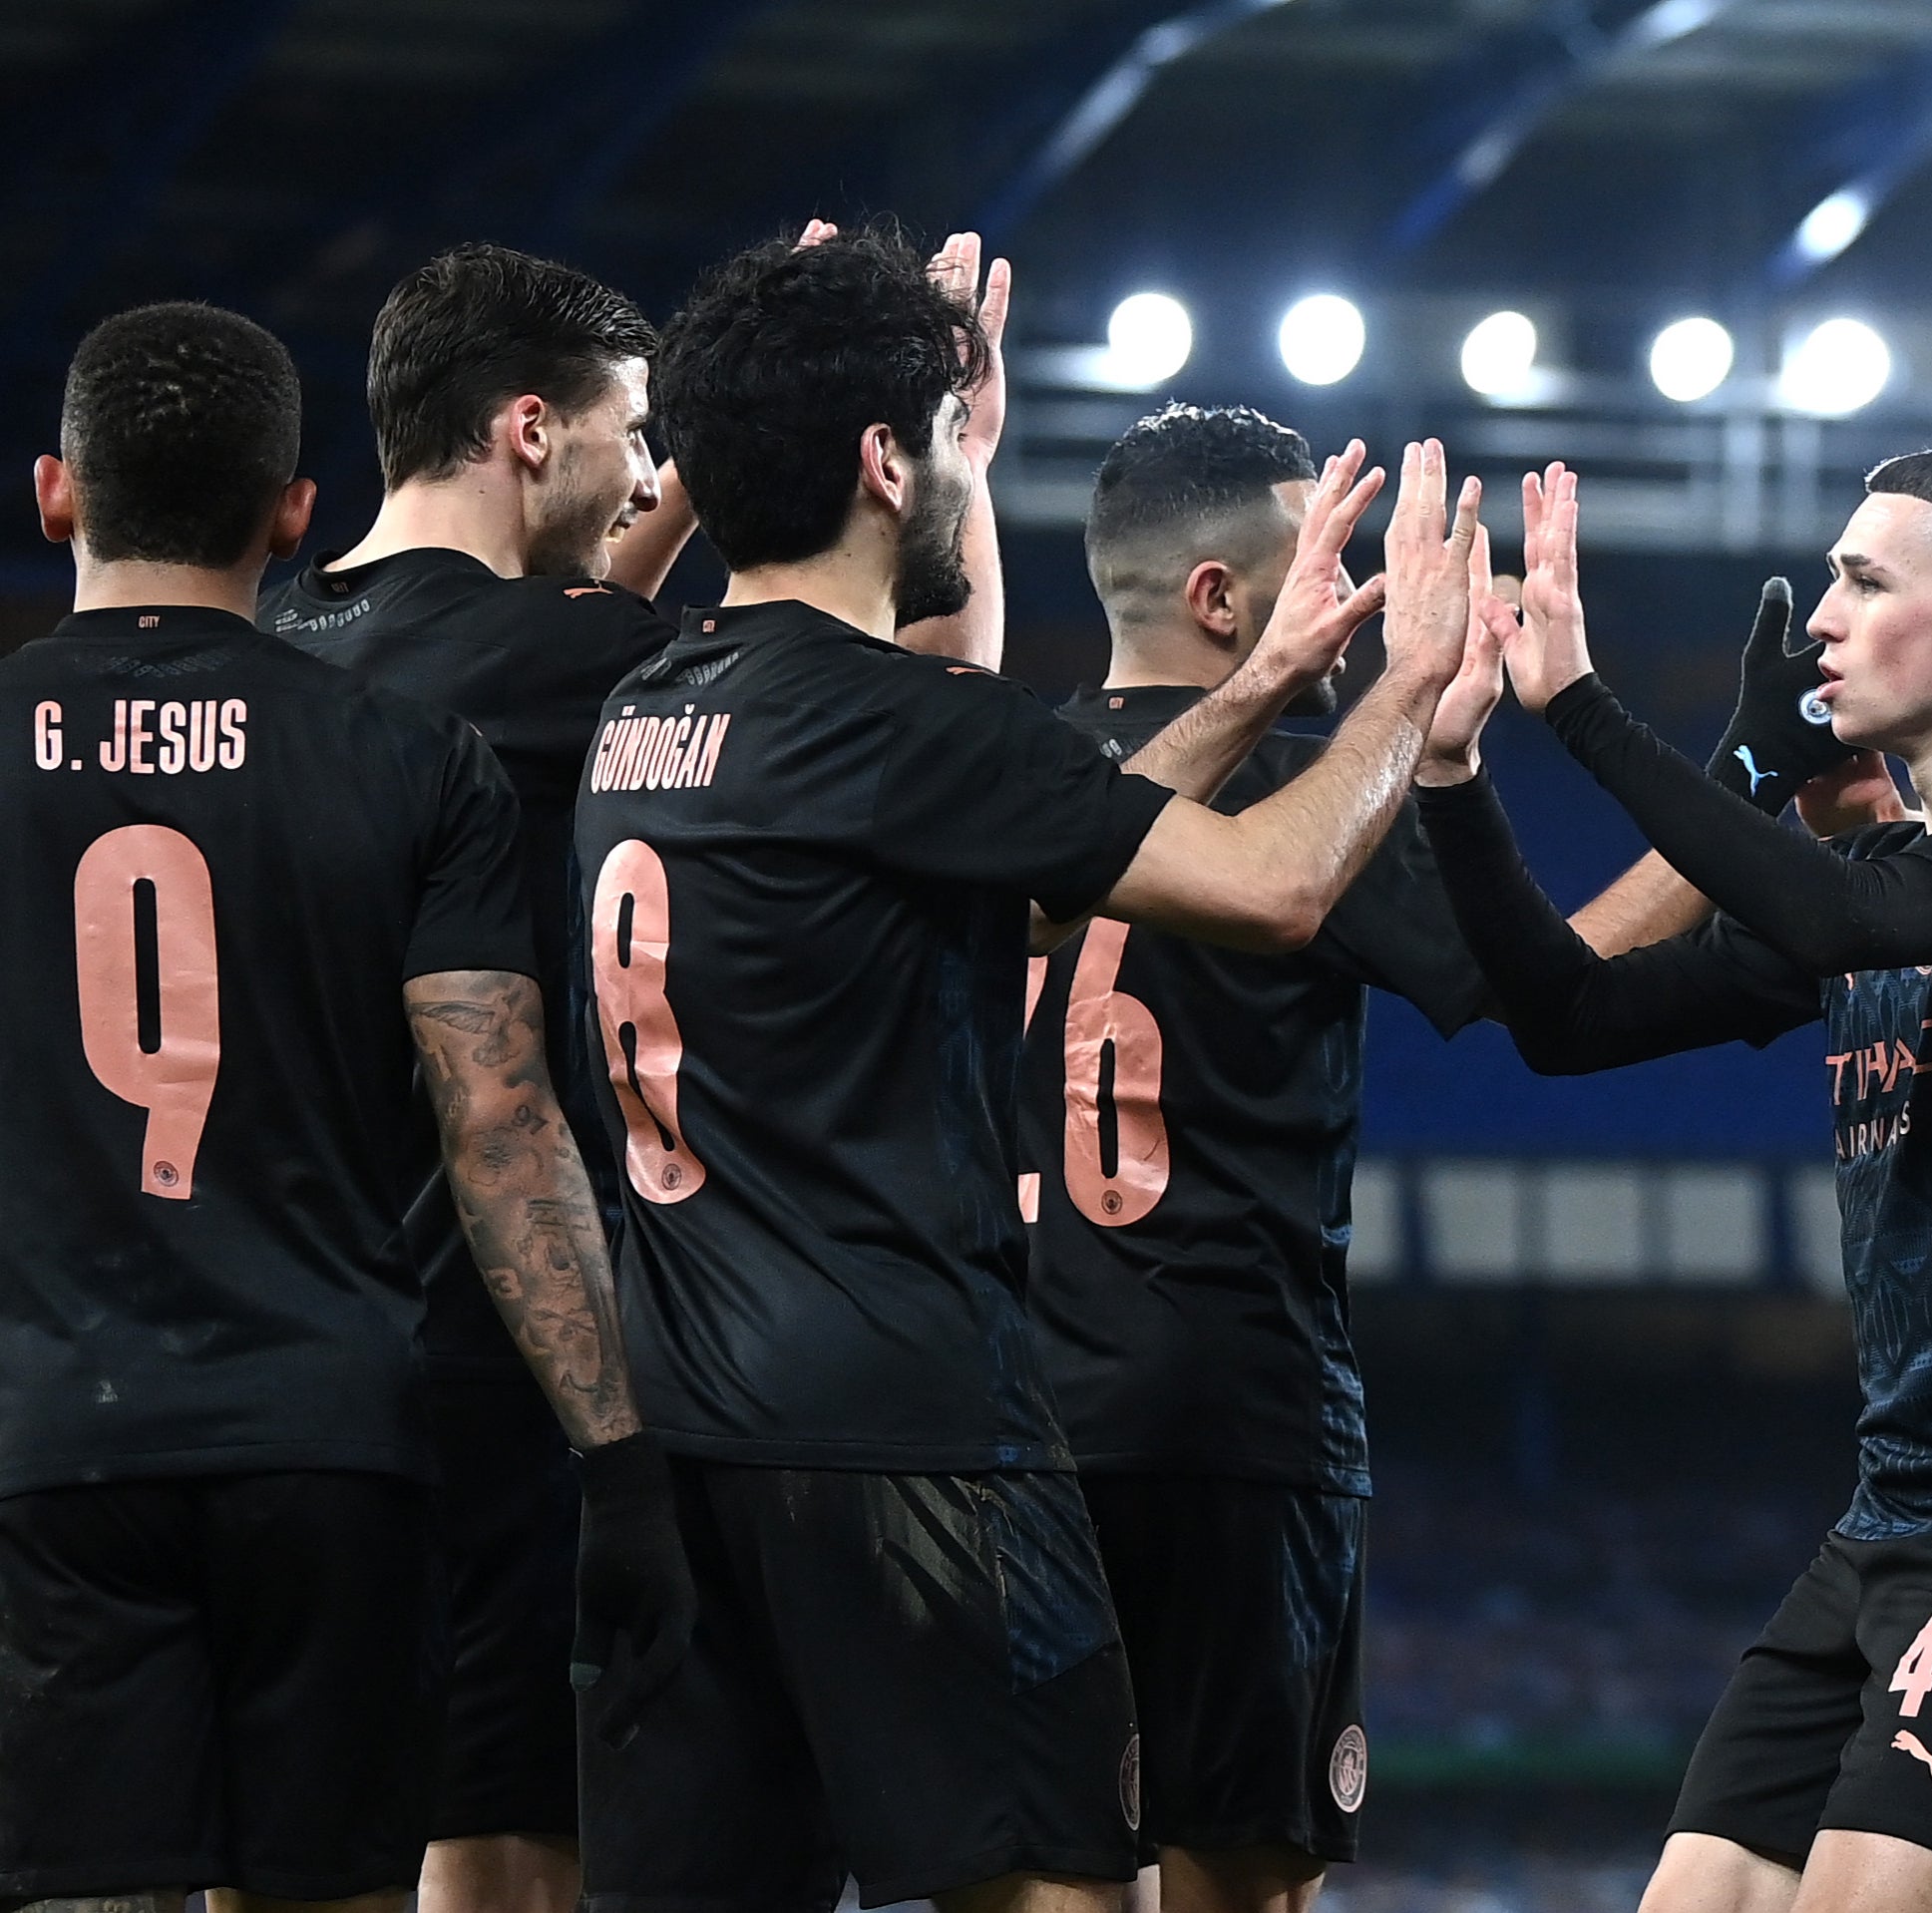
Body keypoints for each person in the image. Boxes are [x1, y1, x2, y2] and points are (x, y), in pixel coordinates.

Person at [571, 221, 1478, 1913]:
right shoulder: (889, 724)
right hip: (914, 1427)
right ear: (875, 462)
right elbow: (1278, 887)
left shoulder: (650, 706)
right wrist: (1404, 690)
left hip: (684, 1427)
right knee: (1068, 1887)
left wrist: (1271, 671)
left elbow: (1022, 835)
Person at [1415, 441, 1932, 1912]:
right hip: (1895, 1513)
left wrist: (1589, 712)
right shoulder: (1870, 890)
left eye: (1863, 579)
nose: (1821, 621)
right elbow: (1565, 1016)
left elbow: (1854, 916)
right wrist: (1458, 771)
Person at [0, 304, 689, 1912]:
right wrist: (623, 1458)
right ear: (292, 509)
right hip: (335, 1443)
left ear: (56, 496)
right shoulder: (407, 757)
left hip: (49, 1442)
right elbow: (501, 1124)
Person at [1020, 402, 1706, 1913]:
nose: (1365, 600)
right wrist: (1748, 796)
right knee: (1241, 1885)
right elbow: (1563, 984)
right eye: (1328, 560)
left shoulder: (998, 776)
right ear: (1219, 599)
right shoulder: (1312, 792)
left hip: (1009, 1422)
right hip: (1232, 1415)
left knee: (1051, 1879)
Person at [257, 239, 684, 1913]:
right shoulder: (570, 662)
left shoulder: (281, 643)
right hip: (487, 1363)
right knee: (507, 1855)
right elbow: (855, 690)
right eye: (632, 432)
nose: (650, 473)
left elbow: (537, 615)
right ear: (529, 431)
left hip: (259, 1360)